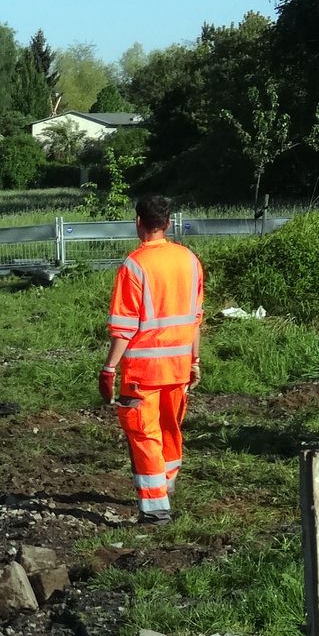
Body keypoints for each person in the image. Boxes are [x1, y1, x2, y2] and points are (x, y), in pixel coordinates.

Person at [101, 193, 204, 523]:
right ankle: (166, 488)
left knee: (144, 435)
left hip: (143, 372)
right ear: (168, 223)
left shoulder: (134, 265)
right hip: (178, 368)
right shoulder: (189, 260)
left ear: (138, 223)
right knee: (169, 429)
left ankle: (156, 510)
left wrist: (109, 368)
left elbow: (124, 328)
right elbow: (195, 318)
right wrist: (195, 360)